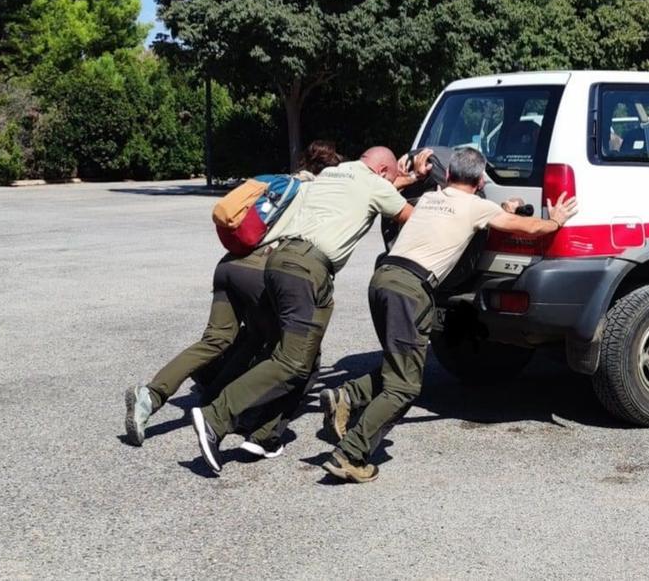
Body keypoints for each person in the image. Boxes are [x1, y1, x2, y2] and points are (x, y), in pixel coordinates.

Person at [318, 147, 578, 483]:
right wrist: (555, 219)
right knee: (405, 386)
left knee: (402, 363)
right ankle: (350, 454)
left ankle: (347, 396)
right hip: (410, 290)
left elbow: (454, 212)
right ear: (482, 178)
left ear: (449, 174)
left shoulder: (430, 198)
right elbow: (529, 228)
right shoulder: (477, 206)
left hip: (382, 280)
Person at [188, 146, 432, 475]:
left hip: (279, 262)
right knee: (291, 360)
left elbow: (379, 189)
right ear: (384, 172)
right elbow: (412, 220)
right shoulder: (375, 185)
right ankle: (216, 415)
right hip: (307, 271)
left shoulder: (333, 174)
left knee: (307, 358)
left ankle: (266, 434)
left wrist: (408, 177)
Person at [123, 140, 344, 449]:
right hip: (261, 273)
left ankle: (150, 395)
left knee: (217, 339)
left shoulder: (280, 184)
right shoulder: (315, 195)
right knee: (286, 349)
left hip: (229, 267)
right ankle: (234, 413)